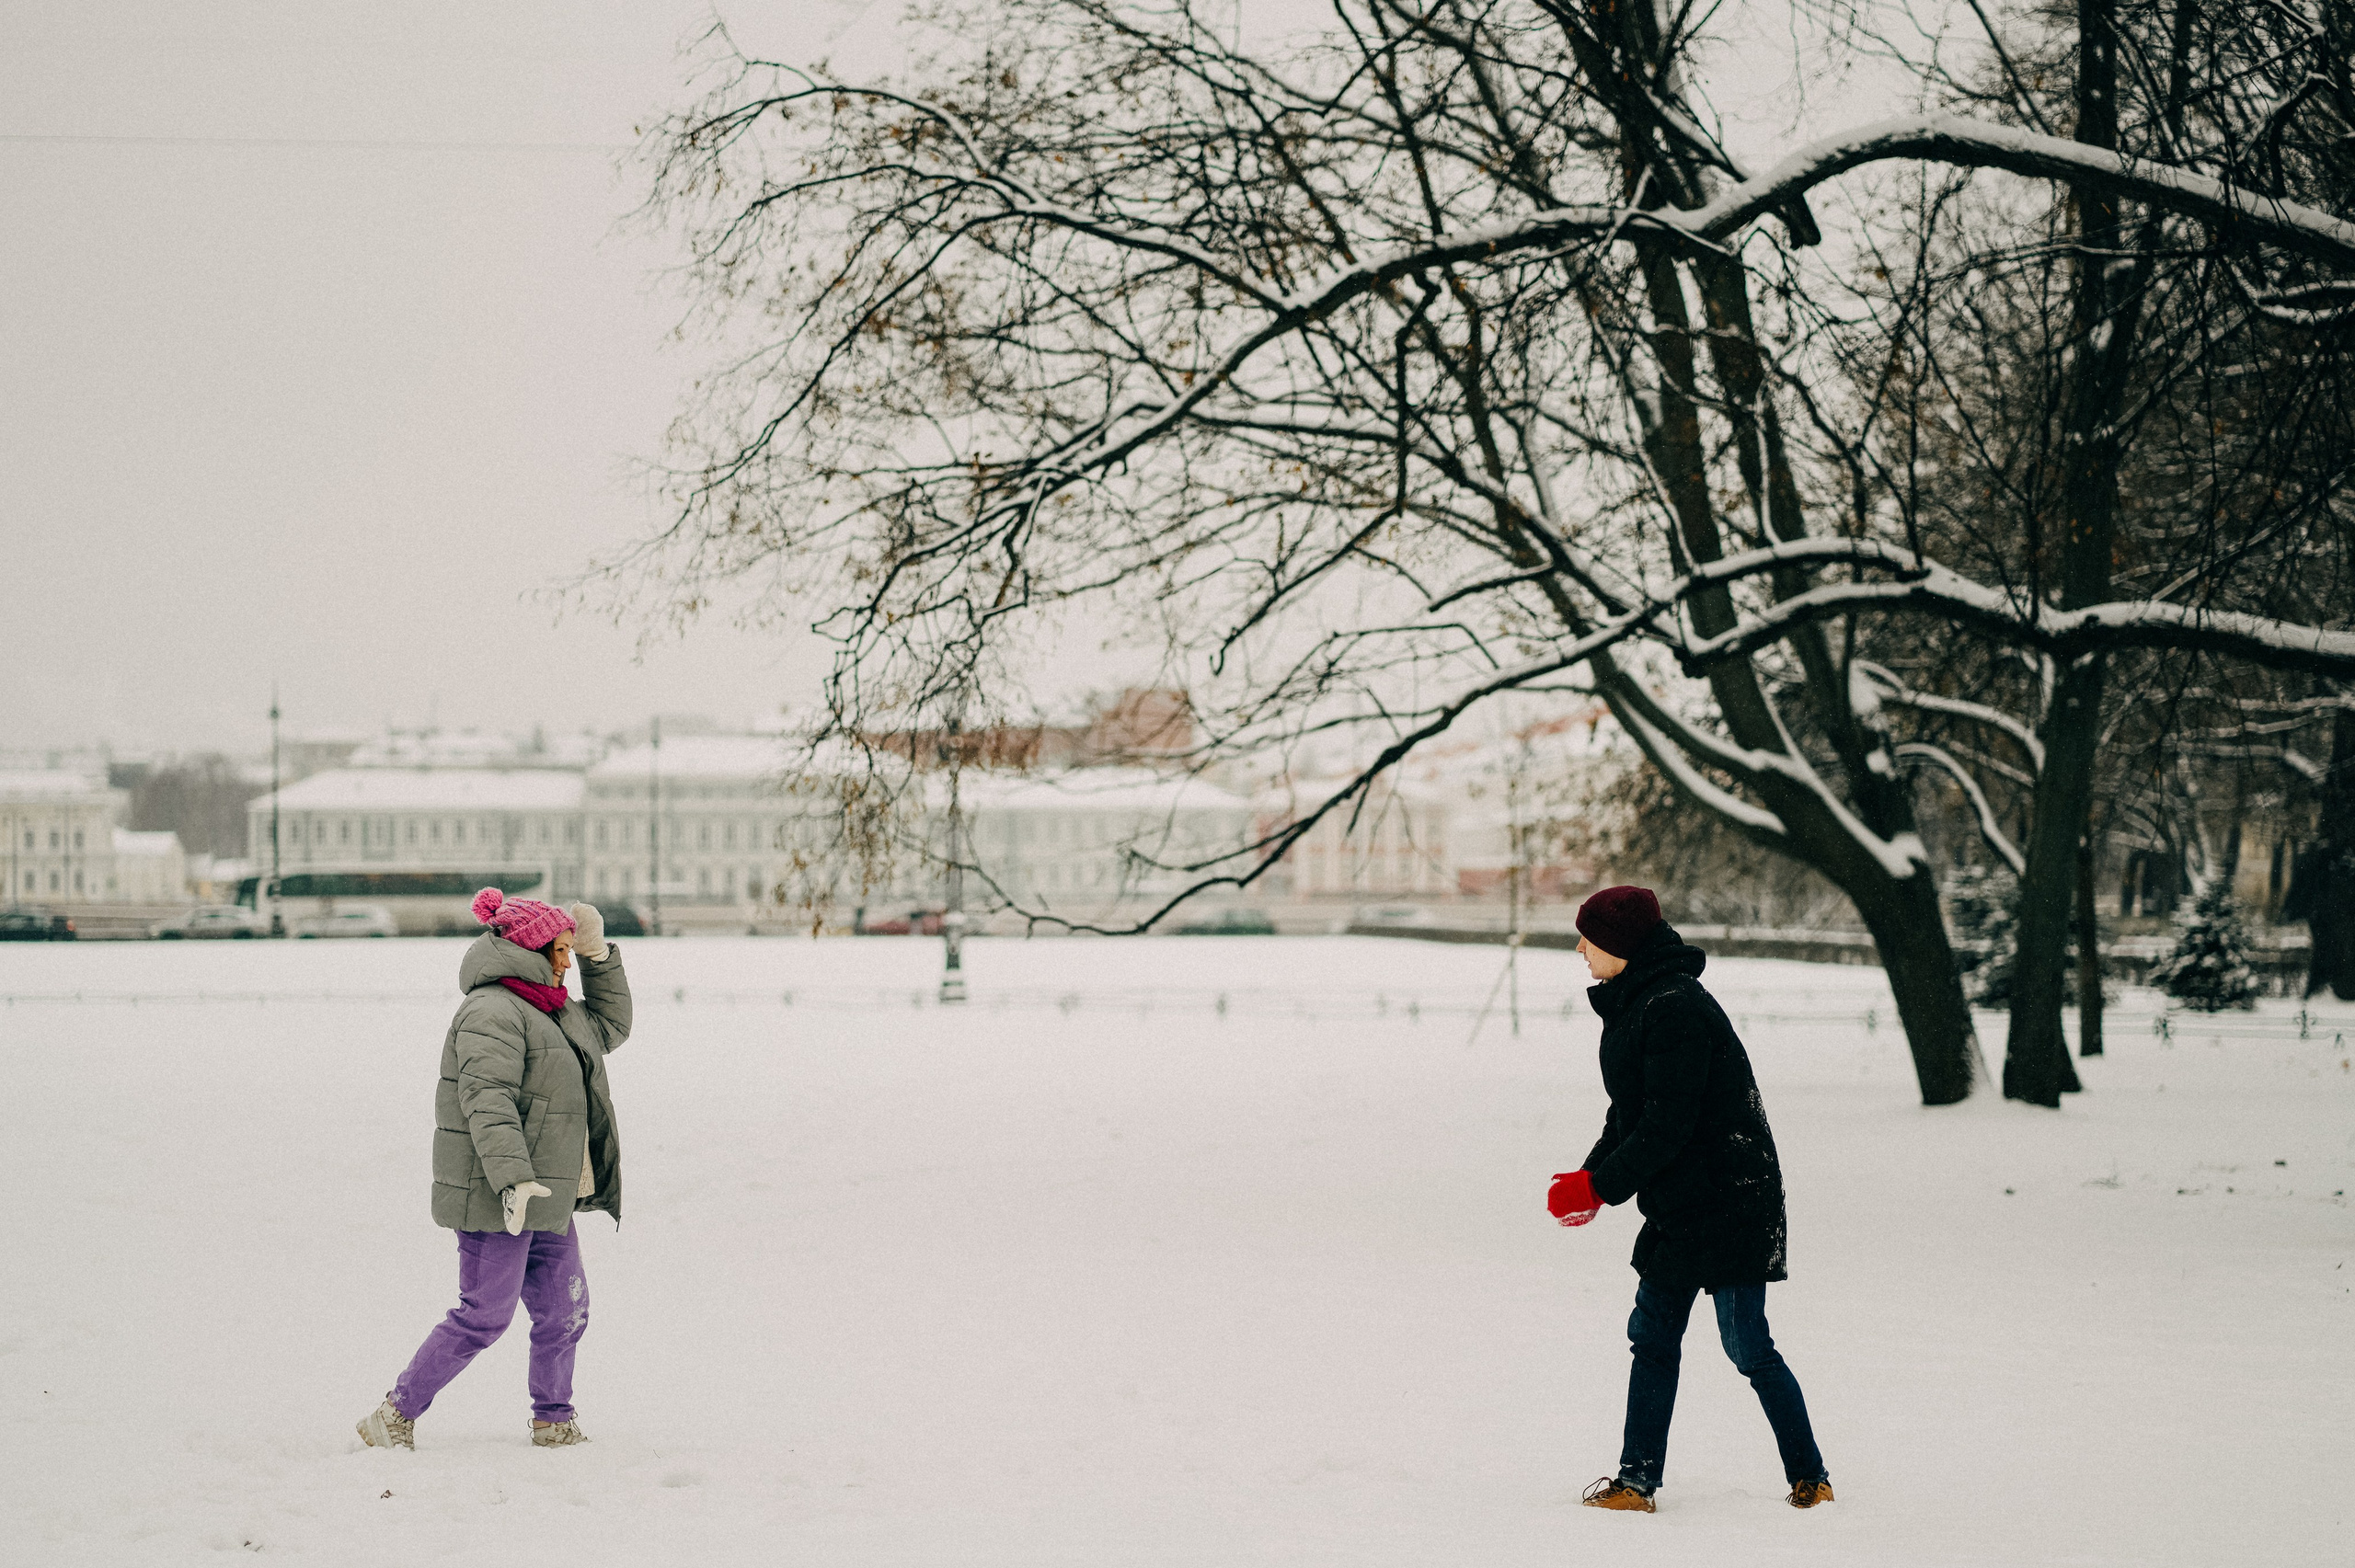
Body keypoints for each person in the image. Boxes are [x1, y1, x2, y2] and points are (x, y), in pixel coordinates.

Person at [1545, 886, 1831, 1513]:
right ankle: (1636, 1482)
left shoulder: (1675, 1008)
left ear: (1620, 944)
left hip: (1732, 1202)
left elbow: (1665, 1126)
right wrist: (1590, 1178)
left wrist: (1601, 1186)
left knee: (1747, 1345)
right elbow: (1629, 1114)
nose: (1580, 950)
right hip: (1680, 1206)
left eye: (1588, 939)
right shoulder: (1638, 1003)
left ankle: (1811, 1477)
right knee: (1652, 1336)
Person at [356, 887, 632, 1450]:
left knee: (565, 1310)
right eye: (561, 950)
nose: (566, 961)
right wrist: (512, 1179)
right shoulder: (492, 1012)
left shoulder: (552, 1008)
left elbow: (610, 1027)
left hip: (545, 1192)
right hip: (495, 1192)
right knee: (485, 1315)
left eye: (569, 950)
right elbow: (488, 1101)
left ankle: (553, 1420)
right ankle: (392, 1415)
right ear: (530, 950)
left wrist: (598, 956)